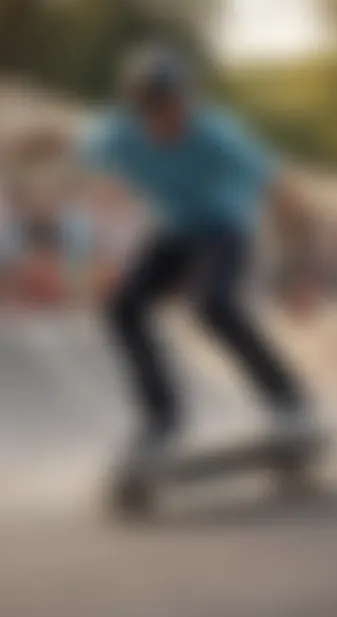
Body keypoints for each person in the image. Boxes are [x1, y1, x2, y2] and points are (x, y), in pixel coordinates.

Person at [82, 44, 322, 465]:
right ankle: (161, 421)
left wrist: (298, 274)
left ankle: (288, 402)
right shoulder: (118, 133)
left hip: (223, 231)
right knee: (121, 307)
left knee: (212, 304)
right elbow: (52, 136)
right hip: (172, 234)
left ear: (186, 100)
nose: (166, 122)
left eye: (173, 109)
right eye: (153, 113)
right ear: (137, 110)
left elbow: (286, 196)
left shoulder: (218, 134)